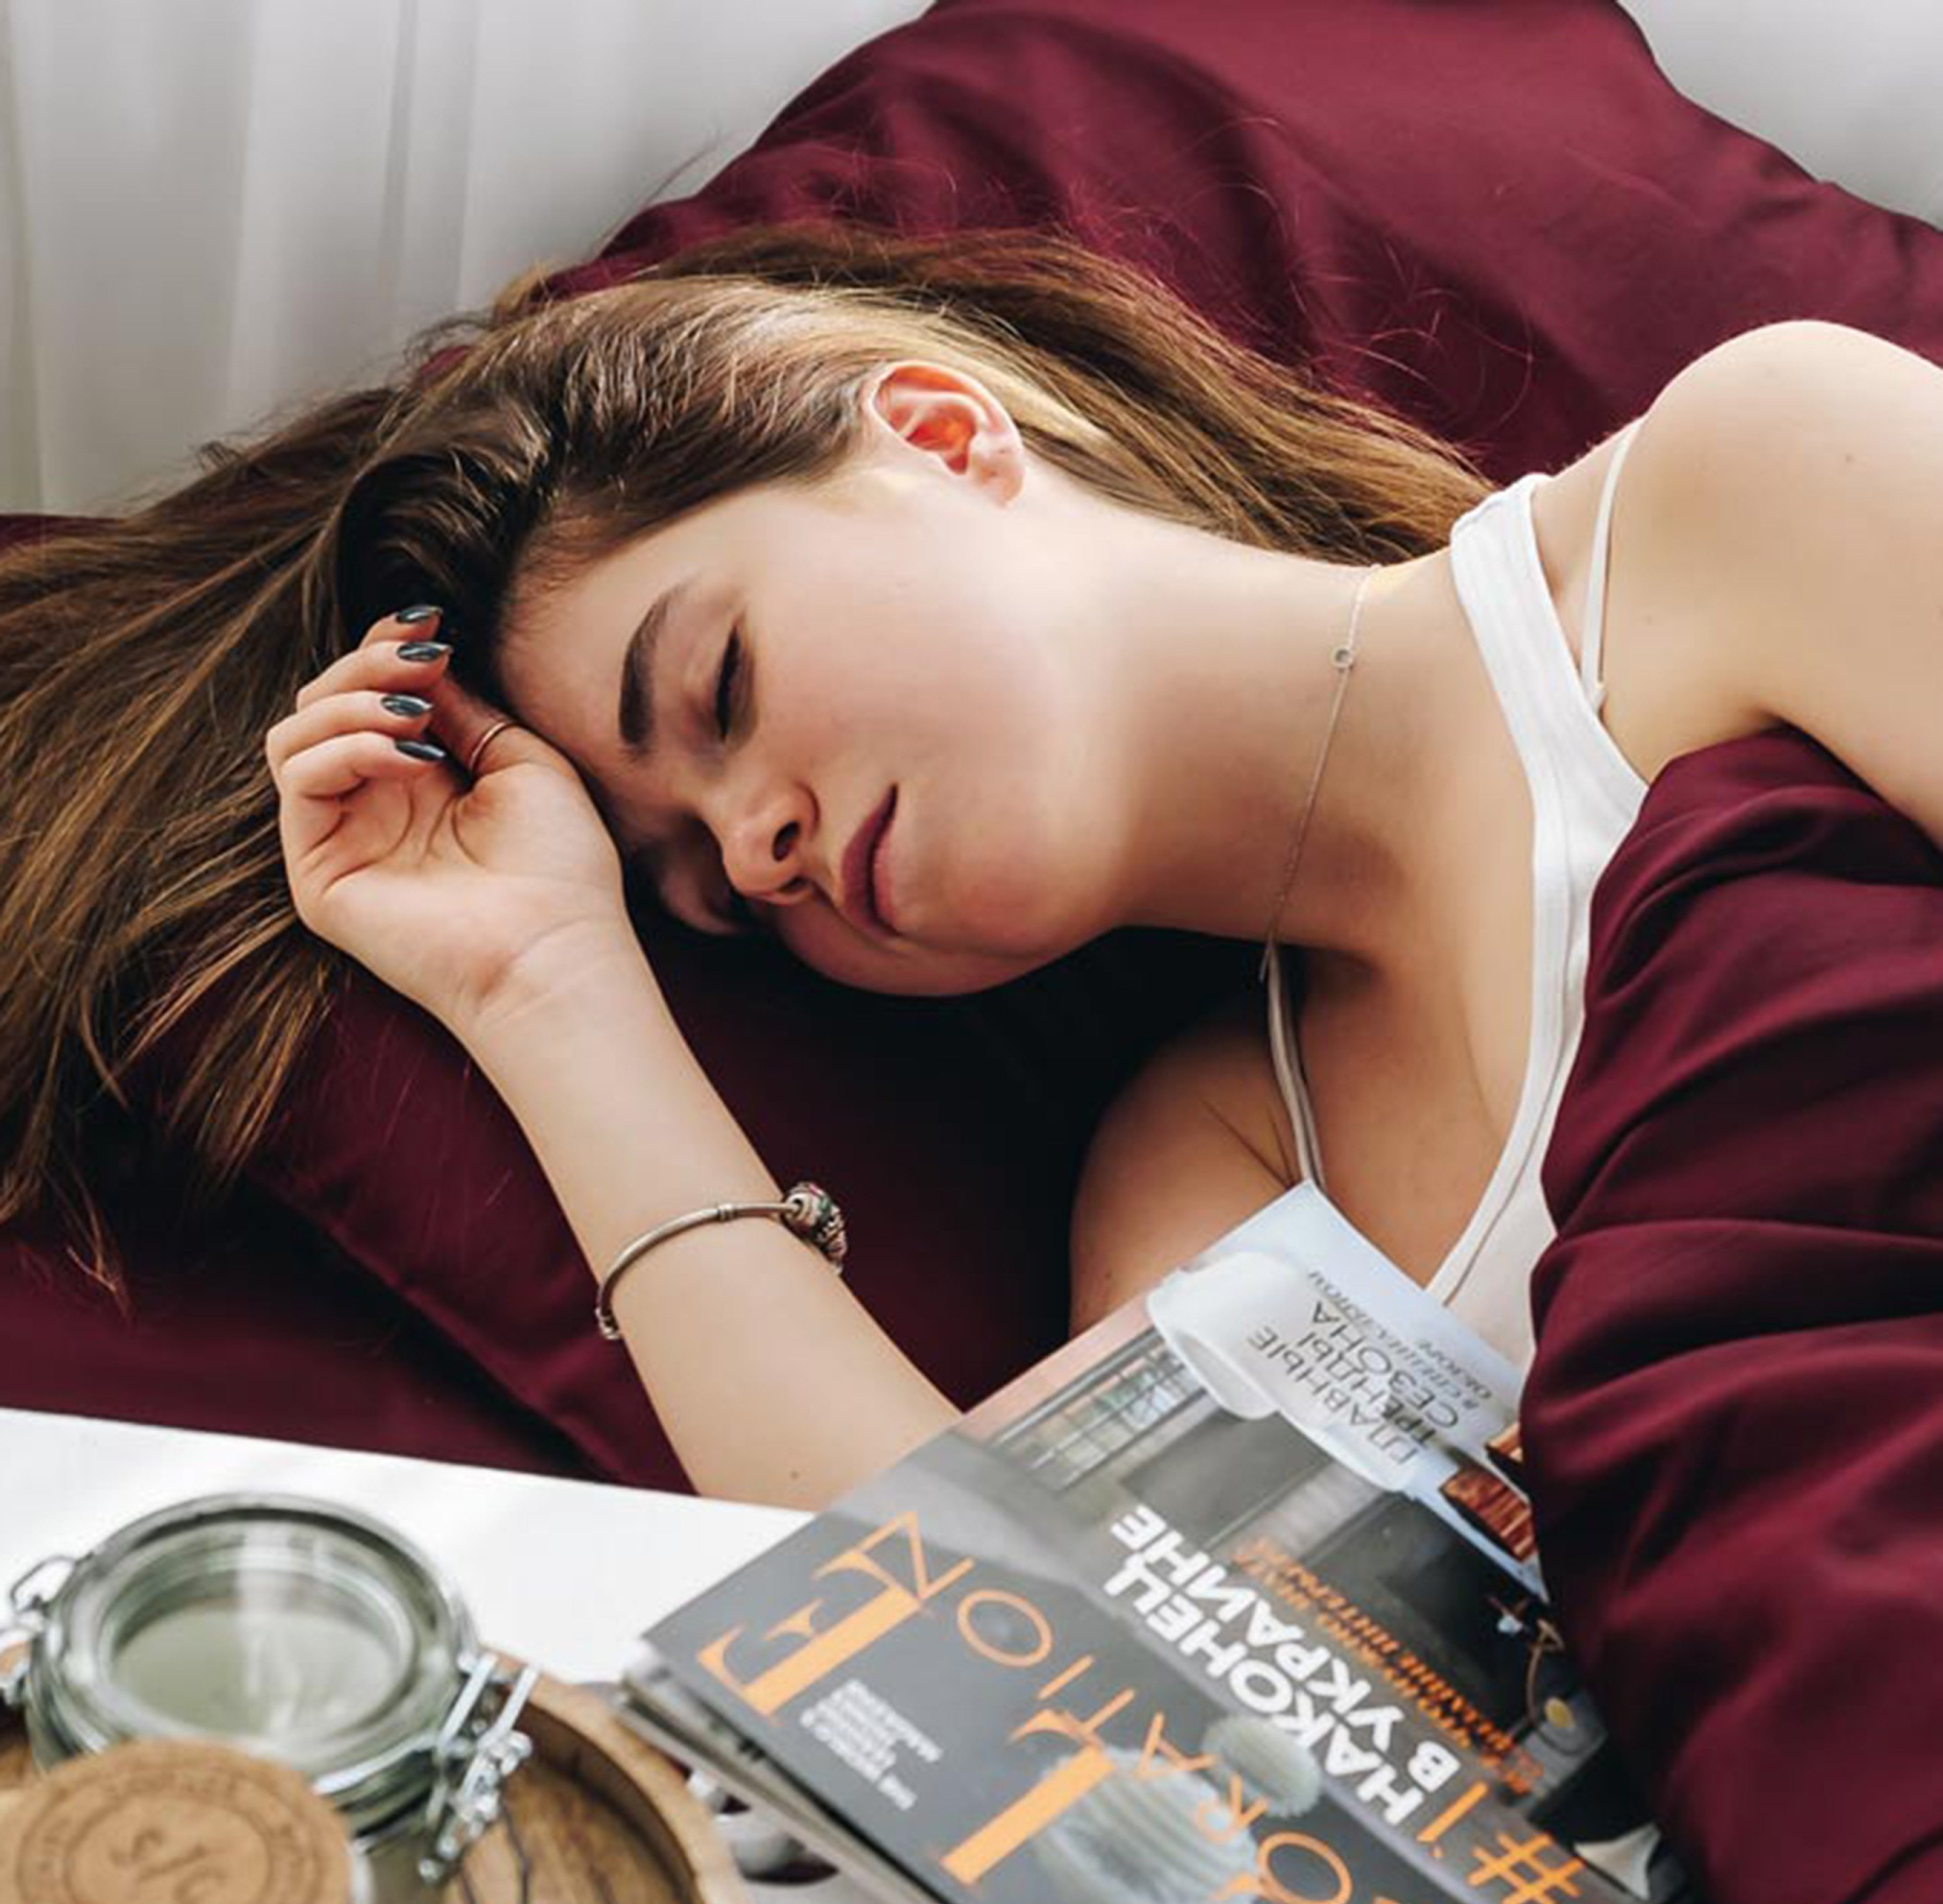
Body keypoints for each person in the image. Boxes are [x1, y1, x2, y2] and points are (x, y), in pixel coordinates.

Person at [3, 222, 1939, 1509]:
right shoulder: (1216, 1162)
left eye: (720, 686)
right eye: (695, 887)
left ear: (939, 435)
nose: (751, 845)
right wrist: (547, 988)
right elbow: (968, 1636)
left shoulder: (1734, 495)